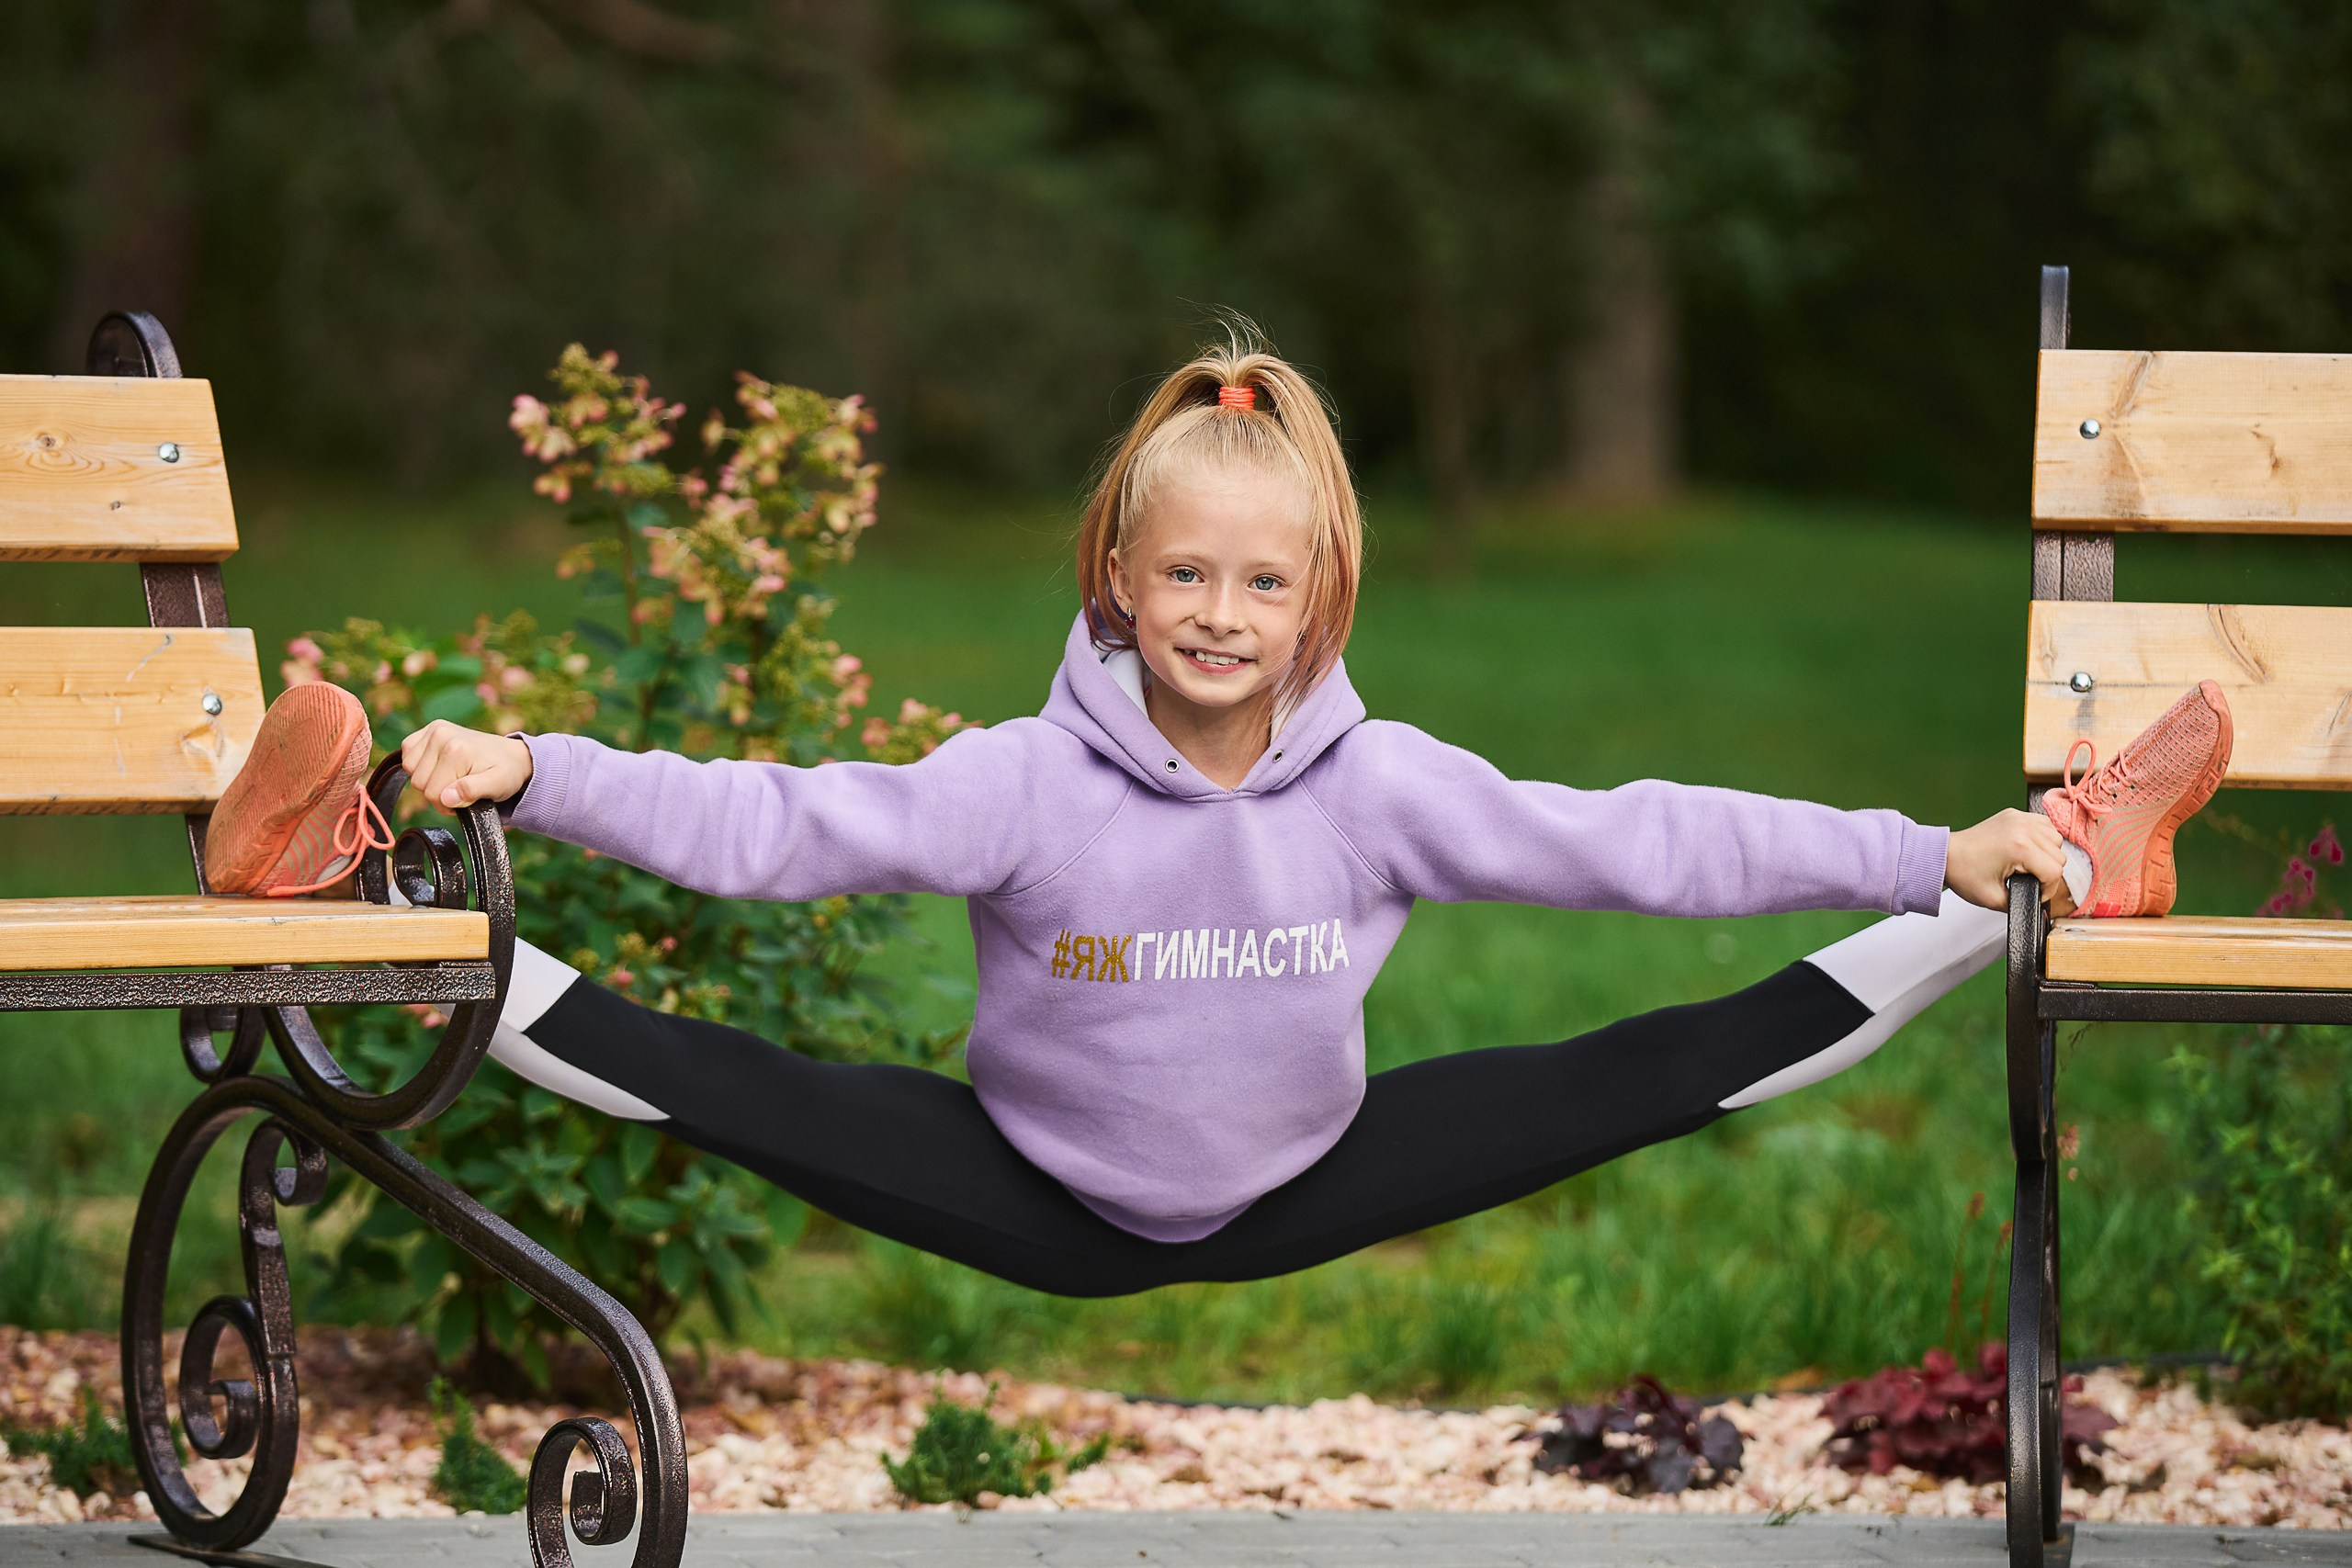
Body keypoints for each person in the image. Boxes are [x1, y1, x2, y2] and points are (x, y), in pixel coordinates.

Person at [202, 334, 2233, 1299]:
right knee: (695, 1073)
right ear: (1112, 575)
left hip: (1304, 1168)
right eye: (1183, 579)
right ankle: (360, 885)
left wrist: (1908, 843)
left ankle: (2038, 863)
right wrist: (533, 768)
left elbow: (1641, 840)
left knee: (1671, 1059)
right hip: (1030, 1180)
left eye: (1262, 586)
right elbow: (776, 823)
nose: (1219, 617)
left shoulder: (1380, 784)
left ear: (1318, 598)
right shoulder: (1020, 774)